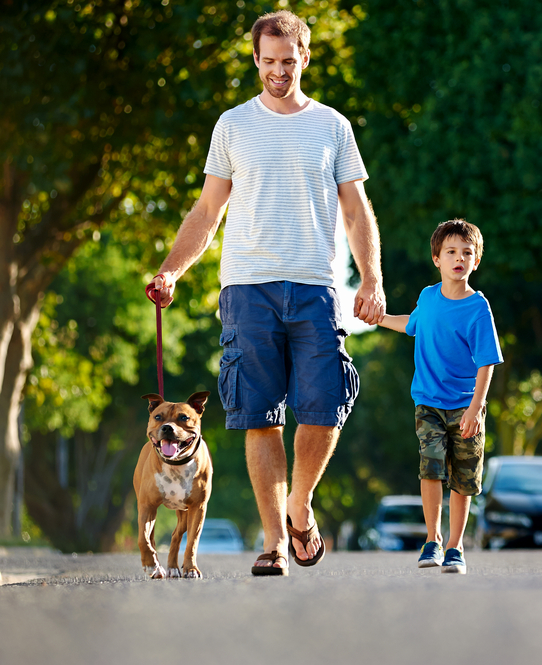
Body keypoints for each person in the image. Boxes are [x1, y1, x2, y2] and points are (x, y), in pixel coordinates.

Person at [148, 10, 385, 576]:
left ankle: (300, 506)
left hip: (315, 286)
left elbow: (356, 211)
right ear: (256, 60)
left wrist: (371, 278)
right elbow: (209, 211)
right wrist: (172, 270)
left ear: (304, 58)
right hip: (247, 289)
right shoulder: (232, 125)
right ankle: (275, 540)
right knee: (260, 417)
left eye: (288, 61)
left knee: (323, 408)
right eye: (268, 62)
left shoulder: (332, 126)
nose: (278, 72)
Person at [378, 219, 503, 574]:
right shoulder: (428, 297)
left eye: (467, 253)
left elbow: (487, 362)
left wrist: (476, 408)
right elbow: (411, 325)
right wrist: (377, 318)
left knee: (463, 478)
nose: (458, 258)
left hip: (466, 405)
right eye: (451, 252)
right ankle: (432, 539)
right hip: (429, 401)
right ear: (437, 258)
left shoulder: (478, 307)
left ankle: (455, 546)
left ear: (476, 261)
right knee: (430, 465)